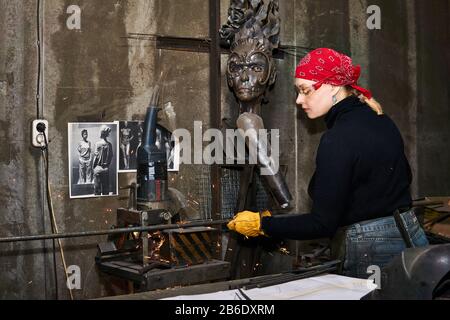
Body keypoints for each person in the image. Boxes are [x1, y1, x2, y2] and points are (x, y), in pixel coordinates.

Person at [227, 48, 429, 279]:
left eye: (305, 91)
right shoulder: (381, 120)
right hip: (409, 232)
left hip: (371, 248)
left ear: (333, 86)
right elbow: (403, 179)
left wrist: (264, 224)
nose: (299, 100)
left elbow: (322, 224)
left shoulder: (338, 138)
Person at [93, 125, 114, 196]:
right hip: (105, 169)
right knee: (105, 191)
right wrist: (107, 165)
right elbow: (111, 157)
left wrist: (94, 167)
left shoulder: (97, 144)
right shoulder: (109, 145)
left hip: (98, 168)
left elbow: (95, 158)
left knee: (97, 191)